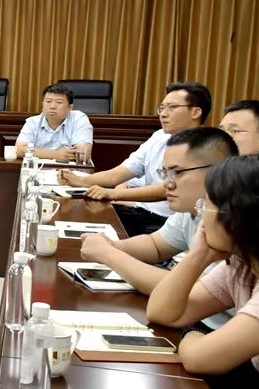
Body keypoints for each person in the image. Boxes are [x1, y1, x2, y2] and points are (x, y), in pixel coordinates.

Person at [146, 155, 259, 389]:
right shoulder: (243, 265)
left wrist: (190, 334)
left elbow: (201, 358)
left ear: (238, 217)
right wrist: (198, 254)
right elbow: (163, 311)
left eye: (208, 205)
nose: (201, 214)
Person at [80, 127, 237, 294]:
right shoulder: (191, 208)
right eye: (165, 173)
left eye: (177, 172)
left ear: (217, 171)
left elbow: (195, 290)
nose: (167, 184)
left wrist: (108, 254)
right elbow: (156, 246)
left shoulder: (233, 218)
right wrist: (111, 245)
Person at [59, 81, 210, 236]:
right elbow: (118, 174)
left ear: (195, 112)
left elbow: (169, 188)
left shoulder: (204, 147)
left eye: (172, 107)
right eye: (162, 108)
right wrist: (80, 180)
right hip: (139, 211)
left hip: (166, 222)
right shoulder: (159, 136)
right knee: (75, 216)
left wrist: (113, 194)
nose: (163, 114)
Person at [15, 83, 94, 162]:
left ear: (70, 107)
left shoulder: (78, 119)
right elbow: (18, 150)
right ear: (42, 104)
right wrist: (57, 154)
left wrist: (35, 152)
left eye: (59, 102)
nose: (52, 106)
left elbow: (82, 155)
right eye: (48, 101)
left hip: (69, 169)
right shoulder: (33, 122)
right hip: (39, 168)